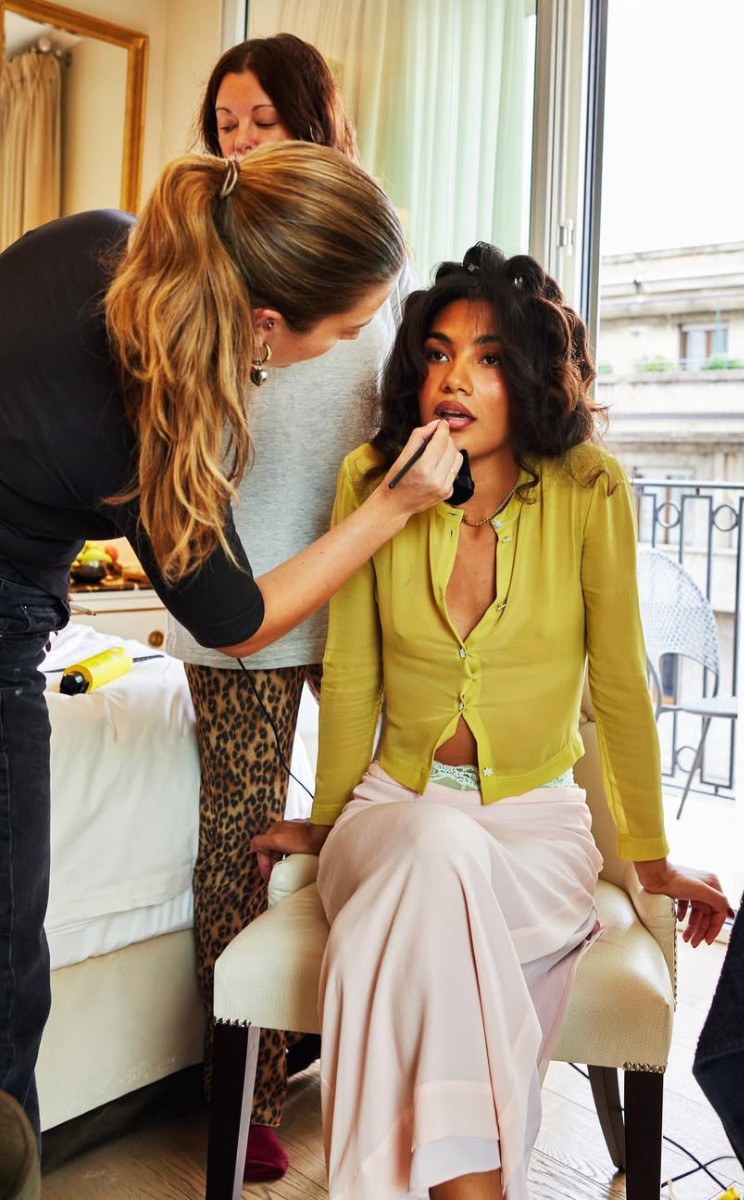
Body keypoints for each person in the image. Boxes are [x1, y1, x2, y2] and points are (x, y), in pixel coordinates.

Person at [0, 139, 464, 1160]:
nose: (353, 349)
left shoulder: (109, 241)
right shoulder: (149, 416)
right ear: (266, 322)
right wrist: (391, 508)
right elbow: (237, 618)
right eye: (345, 332)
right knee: (4, 974)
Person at [253, 244, 731, 1200]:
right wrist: (331, 820)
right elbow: (352, 673)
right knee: (431, 845)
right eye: (437, 354)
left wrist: (648, 858)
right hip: (396, 810)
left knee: (431, 891)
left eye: (488, 357)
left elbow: (621, 687)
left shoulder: (590, 488)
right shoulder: (374, 477)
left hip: (536, 833)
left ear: (533, 376)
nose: (454, 379)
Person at [164, 34, 417, 1180]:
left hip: (356, 596)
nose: (240, 142)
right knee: (239, 843)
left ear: (316, 121)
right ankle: (245, 1092)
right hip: (237, 605)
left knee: (382, 816)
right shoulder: (204, 276)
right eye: (225, 124)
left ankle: (374, 1050)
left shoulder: (366, 259)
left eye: (262, 120)